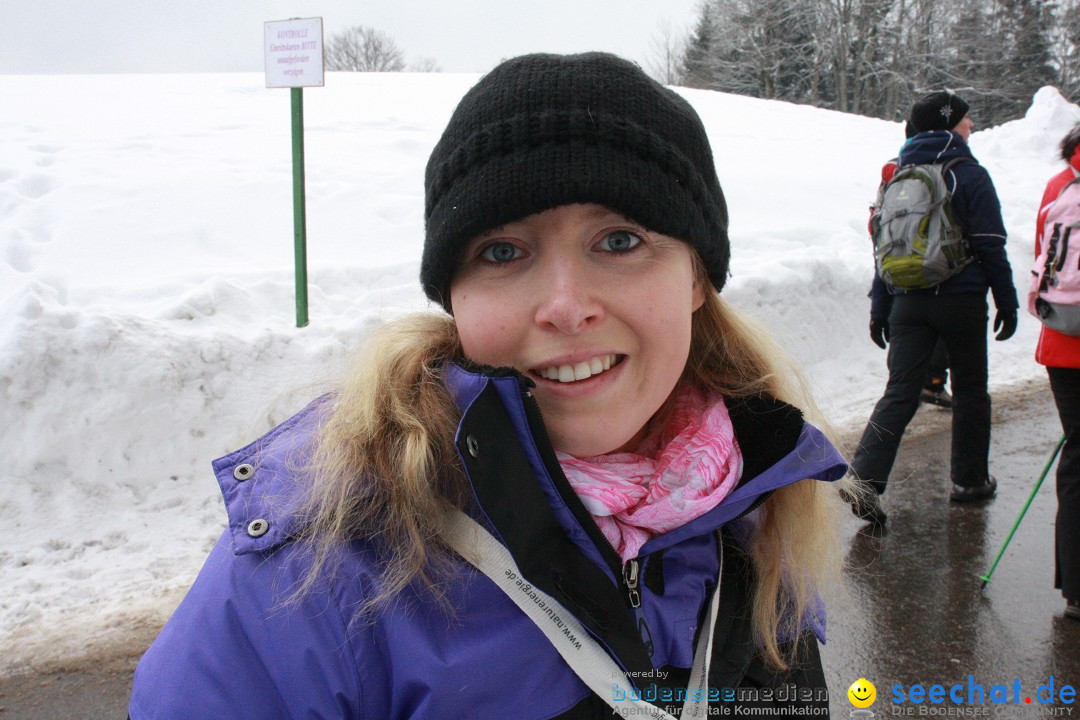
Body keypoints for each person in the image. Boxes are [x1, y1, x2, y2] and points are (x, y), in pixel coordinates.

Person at [128, 53, 847, 719]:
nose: (565, 305)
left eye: (620, 241)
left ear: (696, 276)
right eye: (503, 252)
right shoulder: (314, 574)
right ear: (455, 297)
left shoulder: (756, 504)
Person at [848, 90, 1019, 527]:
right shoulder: (966, 173)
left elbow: (883, 249)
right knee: (971, 391)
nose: (972, 126)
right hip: (960, 299)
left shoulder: (896, 176)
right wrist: (1006, 298)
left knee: (900, 391)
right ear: (948, 126)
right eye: (965, 120)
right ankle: (969, 481)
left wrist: (879, 305)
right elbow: (990, 244)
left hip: (907, 301)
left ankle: (865, 478)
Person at [870, 121, 953, 410]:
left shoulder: (893, 170)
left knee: (903, 326)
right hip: (930, 263)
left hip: (893, 260)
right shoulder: (944, 169)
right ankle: (923, 385)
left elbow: (878, 220)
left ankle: (910, 386)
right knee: (933, 326)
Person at [1034, 123, 1080, 620]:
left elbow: (1041, 257)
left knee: (1077, 458)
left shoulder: (1060, 183)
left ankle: (1076, 585)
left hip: (1065, 341)